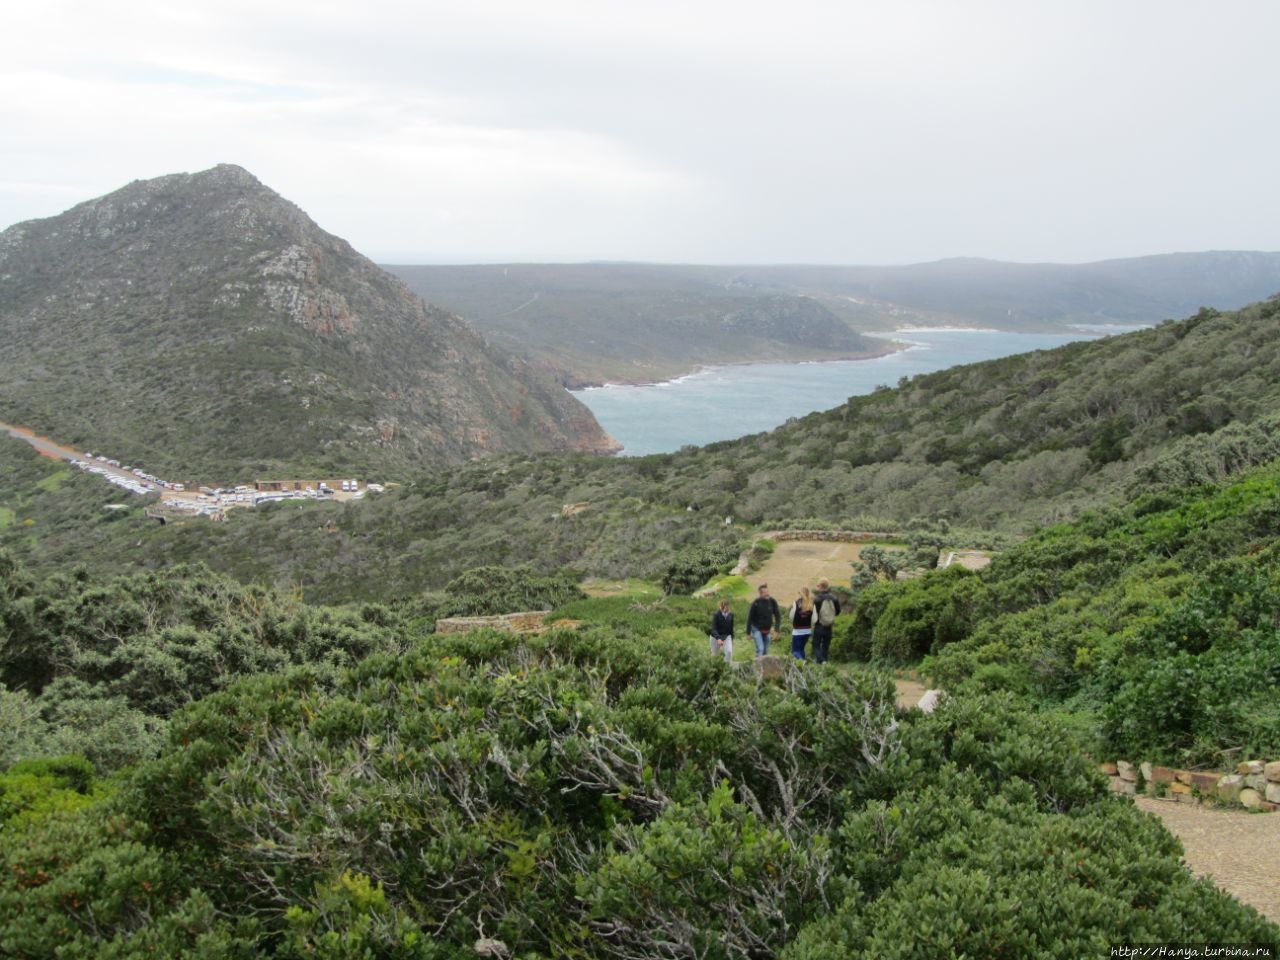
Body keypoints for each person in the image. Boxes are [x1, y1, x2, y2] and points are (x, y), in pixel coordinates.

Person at [811, 578, 841, 664]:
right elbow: (838, 612)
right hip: (829, 626)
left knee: (815, 645)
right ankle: (823, 664)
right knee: (825, 646)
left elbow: (813, 613)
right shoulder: (834, 598)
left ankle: (822, 661)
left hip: (819, 625)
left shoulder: (817, 599)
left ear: (820, 586)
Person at [746, 583, 781, 657]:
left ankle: (761, 666)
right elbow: (749, 618)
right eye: (765, 593)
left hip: (767, 630)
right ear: (760, 594)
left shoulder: (772, 601)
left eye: (768, 592)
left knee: (765, 651)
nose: (767, 594)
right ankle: (758, 668)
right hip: (756, 629)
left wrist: (776, 630)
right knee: (760, 649)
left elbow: (778, 616)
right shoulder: (756, 603)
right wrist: (748, 633)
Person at [788, 586, 815, 660]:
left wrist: (794, 622)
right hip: (807, 630)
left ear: (800, 593)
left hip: (797, 631)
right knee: (801, 649)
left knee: (795, 651)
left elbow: (791, 616)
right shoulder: (811, 603)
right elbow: (814, 619)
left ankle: (802, 663)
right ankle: (803, 667)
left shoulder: (796, 603)